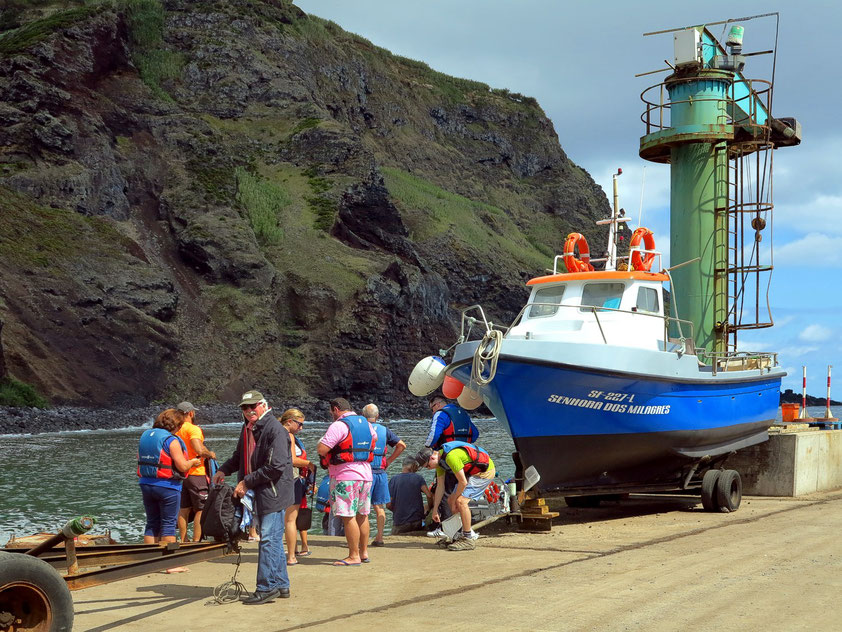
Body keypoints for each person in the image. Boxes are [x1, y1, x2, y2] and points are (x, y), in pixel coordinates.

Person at [213, 390, 293, 605]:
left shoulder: (274, 430)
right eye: (245, 408)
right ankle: (281, 585)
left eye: (253, 406)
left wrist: (246, 482)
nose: (249, 411)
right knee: (272, 539)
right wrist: (223, 470)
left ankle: (266, 588)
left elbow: (276, 467)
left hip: (273, 492)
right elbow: (240, 456)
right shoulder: (249, 428)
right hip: (262, 490)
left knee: (268, 539)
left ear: (264, 405)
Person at [316, 397, 376, 566]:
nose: (330, 414)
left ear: (336, 409)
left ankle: (353, 555)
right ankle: (364, 553)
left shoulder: (339, 425)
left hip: (345, 476)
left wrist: (321, 443)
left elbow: (322, 449)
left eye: (331, 411)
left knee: (348, 517)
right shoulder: (366, 423)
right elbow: (375, 439)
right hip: (366, 475)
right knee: (363, 515)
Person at [137, 409, 201, 544]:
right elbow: (182, 466)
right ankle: (170, 564)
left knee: (152, 523)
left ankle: (149, 558)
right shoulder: (171, 440)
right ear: (176, 425)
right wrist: (193, 462)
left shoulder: (146, 435)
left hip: (146, 484)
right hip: (167, 487)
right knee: (168, 525)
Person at [415, 440, 495, 542]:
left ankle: (467, 537)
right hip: (471, 474)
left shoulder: (451, 457)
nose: (428, 468)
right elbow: (440, 487)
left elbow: (463, 482)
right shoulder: (439, 462)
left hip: (485, 472)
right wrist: (435, 509)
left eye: (427, 466)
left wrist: (454, 497)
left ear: (432, 457)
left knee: (460, 501)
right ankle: (461, 532)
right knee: (450, 501)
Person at [424, 394, 479, 537]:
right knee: (460, 491)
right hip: (466, 456)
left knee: (445, 490)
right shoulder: (463, 413)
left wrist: (429, 448)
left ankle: (445, 528)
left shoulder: (441, 414)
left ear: (437, 405)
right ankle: (462, 527)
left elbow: (433, 435)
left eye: (432, 409)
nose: (432, 412)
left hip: (448, 455)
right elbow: (475, 434)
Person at [361, 403, 406, 547]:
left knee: (363, 509)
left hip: (365, 472)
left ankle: (361, 539)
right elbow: (402, 445)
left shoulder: (361, 429)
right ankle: (379, 538)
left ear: (363, 416)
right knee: (379, 507)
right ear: (377, 416)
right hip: (380, 471)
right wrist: (389, 461)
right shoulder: (384, 430)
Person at [174, 401, 216, 542]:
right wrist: (209, 453)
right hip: (196, 473)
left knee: (183, 509)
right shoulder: (193, 429)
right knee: (200, 509)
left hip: (180, 473)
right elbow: (198, 449)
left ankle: (183, 540)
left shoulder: (174, 429)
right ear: (191, 413)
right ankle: (196, 541)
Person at [279, 408, 316, 566]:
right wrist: (310, 464)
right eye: (299, 424)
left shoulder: (273, 433)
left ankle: (283, 553)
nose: (301, 427)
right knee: (290, 520)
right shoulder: (289, 436)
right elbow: (292, 460)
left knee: (279, 519)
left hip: (276, 481)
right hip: (291, 479)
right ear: (289, 422)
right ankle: (291, 556)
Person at [387, 456, 433, 534]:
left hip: (400, 522)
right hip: (416, 522)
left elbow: (388, 504)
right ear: (413, 466)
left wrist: (397, 510)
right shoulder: (418, 478)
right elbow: (429, 495)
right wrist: (429, 507)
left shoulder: (394, 480)